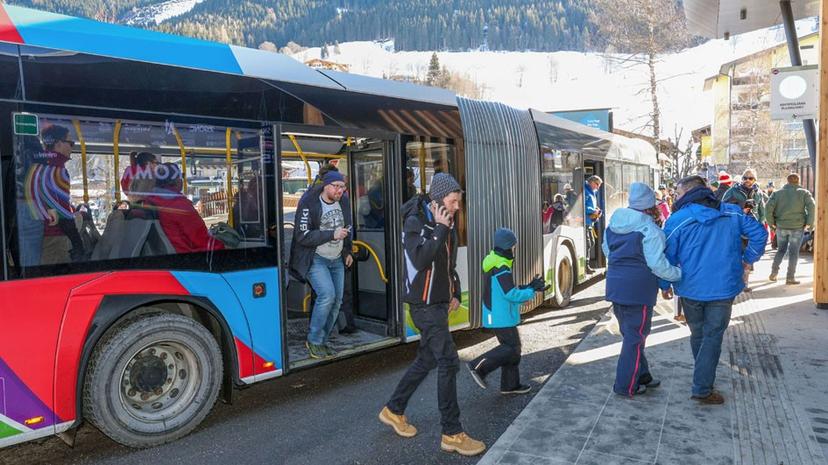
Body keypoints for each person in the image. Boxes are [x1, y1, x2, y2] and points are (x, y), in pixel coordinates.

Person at [379, 173, 485, 457]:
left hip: (438, 303)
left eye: (458, 202)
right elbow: (421, 259)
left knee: (427, 359)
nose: (457, 207)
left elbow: (447, 263)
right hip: (423, 307)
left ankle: (393, 409)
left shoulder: (446, 221)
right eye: (453, 202)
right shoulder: (416, 222)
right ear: (438, 201)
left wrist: (454, 290)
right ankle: (452, 433)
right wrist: (439, 228)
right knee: (449, 363)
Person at [660, 175, 767, 405]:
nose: (676, 198)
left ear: (688, 193)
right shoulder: (732, 212)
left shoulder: (677, 219)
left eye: (678, 194)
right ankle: (702, 386)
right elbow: (760, 234)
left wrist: (664, 284)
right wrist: (748, 260)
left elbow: (666, 254)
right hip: (723, 286)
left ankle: (702, 379)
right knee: (712, 336)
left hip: (690, 287)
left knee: (699, 334)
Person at [603, 183, 681, 396]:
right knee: (635, 338)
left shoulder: (613, 224)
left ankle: (642, 375)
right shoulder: (650, 230)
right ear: (649, 206)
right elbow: (657, 265)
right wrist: (678, 274)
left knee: (631, 335)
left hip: (615, 287)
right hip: (638, 290)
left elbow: (607, 251)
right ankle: (625, 385)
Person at [467, 228, 546, 396]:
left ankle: (510, 385)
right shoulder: (502, 266)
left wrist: (528, 286)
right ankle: (478, 367)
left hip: (498, 313)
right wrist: (532, 291)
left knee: (513, 348)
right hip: (500, 315)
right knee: (511, 348)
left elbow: (504, 290)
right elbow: (511, 294)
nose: (514, 249)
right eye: (513, 246)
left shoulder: (496, 261)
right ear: (508, 246)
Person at [290, 171, 353, 358]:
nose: (340, 190)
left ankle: (322, 340)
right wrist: (331, 234)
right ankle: (314, 340)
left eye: (342, 187)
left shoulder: (344, 202)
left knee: (337, 301)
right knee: (327, 295)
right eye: (336, 186)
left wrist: (347, 251)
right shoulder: (309, 203)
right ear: (325, 185)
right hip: (315, 258)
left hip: (337, 259)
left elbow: (347, 227)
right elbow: (302, 236)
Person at [26, 125, 86, 264]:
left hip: (38, 234)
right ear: (58, 144)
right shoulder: (57, 171)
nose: (72, 147)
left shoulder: (36, 167)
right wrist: (77, 243)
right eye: (70, 143)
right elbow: (62, 212)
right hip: (54, 238)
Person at [145, 163, 225, 254]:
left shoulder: (148, 202)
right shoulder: (179, 206)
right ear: (176, 181)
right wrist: (222, 246)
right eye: (180, 177)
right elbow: (202, 241)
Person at [765, 173, 815, 285]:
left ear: (787, 181)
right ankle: (790, 277)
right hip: (797, 227)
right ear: (799, 181)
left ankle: (774, 273)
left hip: (781, 226)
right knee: (793, 253)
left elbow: (768, 208)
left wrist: (772, 223)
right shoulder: (804, 193)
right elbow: (812, 207)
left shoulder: (777, 193)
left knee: (781, 250)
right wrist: (809, 224)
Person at [584, 175, 603, 273]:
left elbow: (591, 205)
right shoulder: (585, 191)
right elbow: (581, 206)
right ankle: (586, 266)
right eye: (597, 184)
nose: (598, 187)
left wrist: (597, 210)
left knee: (591, 242)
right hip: (585, 222)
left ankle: (586, 265)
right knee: (588, 244)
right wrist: (592, 210)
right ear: (591, 182)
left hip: (590, 222)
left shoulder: (592, 192)